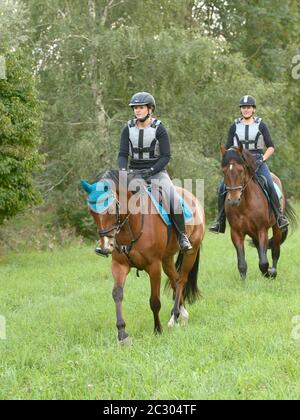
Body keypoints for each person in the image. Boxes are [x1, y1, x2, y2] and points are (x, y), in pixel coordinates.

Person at [96, 91, 192, 255]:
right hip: (133, 173)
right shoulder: (127, 129)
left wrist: (152, 171)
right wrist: (123, 172)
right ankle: (106, 240)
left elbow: (166, 156)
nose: (137, 111)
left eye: (141, 107)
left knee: (173, 198)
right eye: (135, 108)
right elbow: (122, 154)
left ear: (150, 109)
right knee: (111, 201)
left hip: (157, 173)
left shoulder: (159, 128)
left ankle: (182, 236)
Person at [209, 95, 289, 234]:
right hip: (239, 163)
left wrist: (263, 158)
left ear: (253, 109)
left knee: (269, 184)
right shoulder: (234, 126)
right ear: (241, 110)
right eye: (243, 107)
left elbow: (271, 146)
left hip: (257, 161)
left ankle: (279, 216)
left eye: (249, 107)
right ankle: (220, 221)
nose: (246, 110)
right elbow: (228, 148)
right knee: (222, 186)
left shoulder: (261, 125)